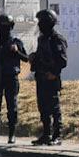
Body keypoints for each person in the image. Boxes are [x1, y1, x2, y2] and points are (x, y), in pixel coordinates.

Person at [0, 14, 28, 143]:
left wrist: (16, 51)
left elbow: (26, 58)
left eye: (7, 27)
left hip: (11, 77)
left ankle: (12, 134)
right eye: (2, 27)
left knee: (12, 106)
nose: (4, 29)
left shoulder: (15, 42)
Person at [31, 9, 69, 144]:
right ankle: (46, 134)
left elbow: (62, 60)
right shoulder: (41, 39)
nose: (40, 25)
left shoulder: (57, 39)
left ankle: (57, 136)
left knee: (54, 107)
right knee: (42, 107)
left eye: (42, 22)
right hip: (41, 78)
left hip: (51, 78)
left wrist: (54, 73)